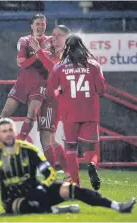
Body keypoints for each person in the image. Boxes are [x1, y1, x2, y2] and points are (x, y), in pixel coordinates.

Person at [0, 118, 136, 216]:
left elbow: (49, 173)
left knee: (71, 189)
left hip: (36, 191)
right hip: (13, 200)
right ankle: (59, 210)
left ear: (15, 131)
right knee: (25, 206)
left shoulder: (29, 150)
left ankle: (118, 206)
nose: (8, 133)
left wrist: (42, 188)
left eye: (10, 130)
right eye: (4, 131)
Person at [0, 14, 68, 176]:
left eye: (43, 24)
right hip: (23, 83)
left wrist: (47, 51)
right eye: (37, 24)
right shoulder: (24, 41)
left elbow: (54, 64)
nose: (41, 26)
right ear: (31, 26)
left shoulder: (52, 41)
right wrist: (37, 55)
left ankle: (16, 150)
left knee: (35, 119)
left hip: (42, 85)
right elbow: (21, 63)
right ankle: (2, 154)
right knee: (4, 116)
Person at [46, 34, 106, 190]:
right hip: (90, 113)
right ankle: (92, 164)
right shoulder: (93, 65)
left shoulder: (58, 67)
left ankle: (76, 183)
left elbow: (51, 92)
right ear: (82, 46)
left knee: (70, 149)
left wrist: (60, 92)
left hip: (69, 114)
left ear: (66, 48)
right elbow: (101, 90)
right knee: (91, 150)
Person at [28, 25, 71, 180]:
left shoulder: (68, 54)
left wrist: (38, 51)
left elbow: (54, 69)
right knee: (51, 139)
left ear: (66, 38)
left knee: (45, 138)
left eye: (58, 35)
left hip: (54, 99)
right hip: (50, 97)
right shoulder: (52, 52)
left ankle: (51, 176)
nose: (54, 38)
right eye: (53, 34)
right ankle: (68, 173)